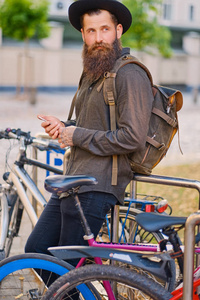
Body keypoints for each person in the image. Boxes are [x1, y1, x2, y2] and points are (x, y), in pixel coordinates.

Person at [25, 0, 153, 268]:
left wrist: (76, 135)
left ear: (118, 31)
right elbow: (88, 124)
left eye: (104, 29)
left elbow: (132, 137)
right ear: (83, 35)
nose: (98, 38)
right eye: (91, 31)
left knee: (67, 268)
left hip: (99, 186)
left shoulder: (130, 73)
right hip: (73, 179)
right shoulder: (94, 71)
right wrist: (63, 126)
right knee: (36, 250)